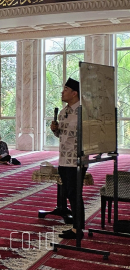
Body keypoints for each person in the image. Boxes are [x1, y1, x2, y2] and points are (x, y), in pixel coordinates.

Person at [51, 78, 83, 240]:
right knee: (69, 193)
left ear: (74, 93)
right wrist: (55, 130)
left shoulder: (83, 112)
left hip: (77, 160)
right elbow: (61, 135)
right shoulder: (63, 112)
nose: (62, 92)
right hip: (63, 159)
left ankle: (78, 229)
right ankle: (77, 227)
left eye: (65, 89)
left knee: (75, 193)